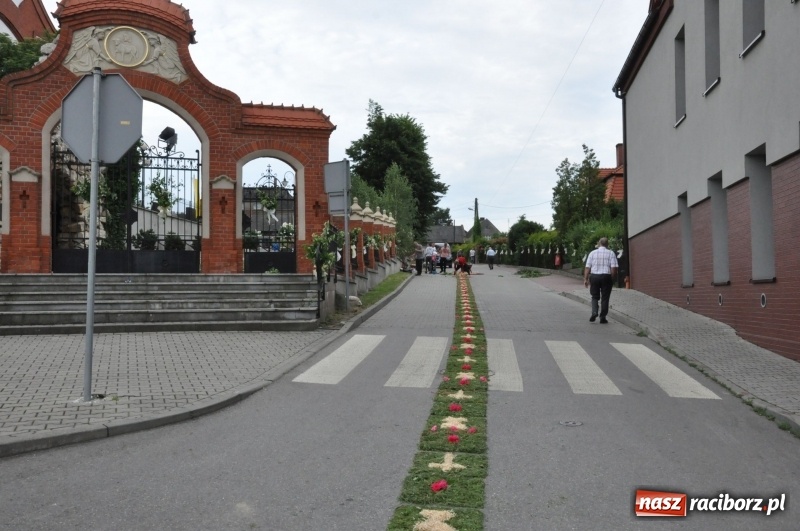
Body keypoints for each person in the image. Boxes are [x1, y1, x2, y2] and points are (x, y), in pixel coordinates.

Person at [583, 237, 619, 324]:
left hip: (594, 276)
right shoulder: (611, 253)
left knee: (594, 296)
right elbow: (613, 268)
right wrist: (612, 278)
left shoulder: (592, 253)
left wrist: (586, 279)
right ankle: (603, 317)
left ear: (599, 243)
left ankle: (594, 312)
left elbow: (588, 267)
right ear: (607, 244)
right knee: (605, 297)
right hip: (606, 277)